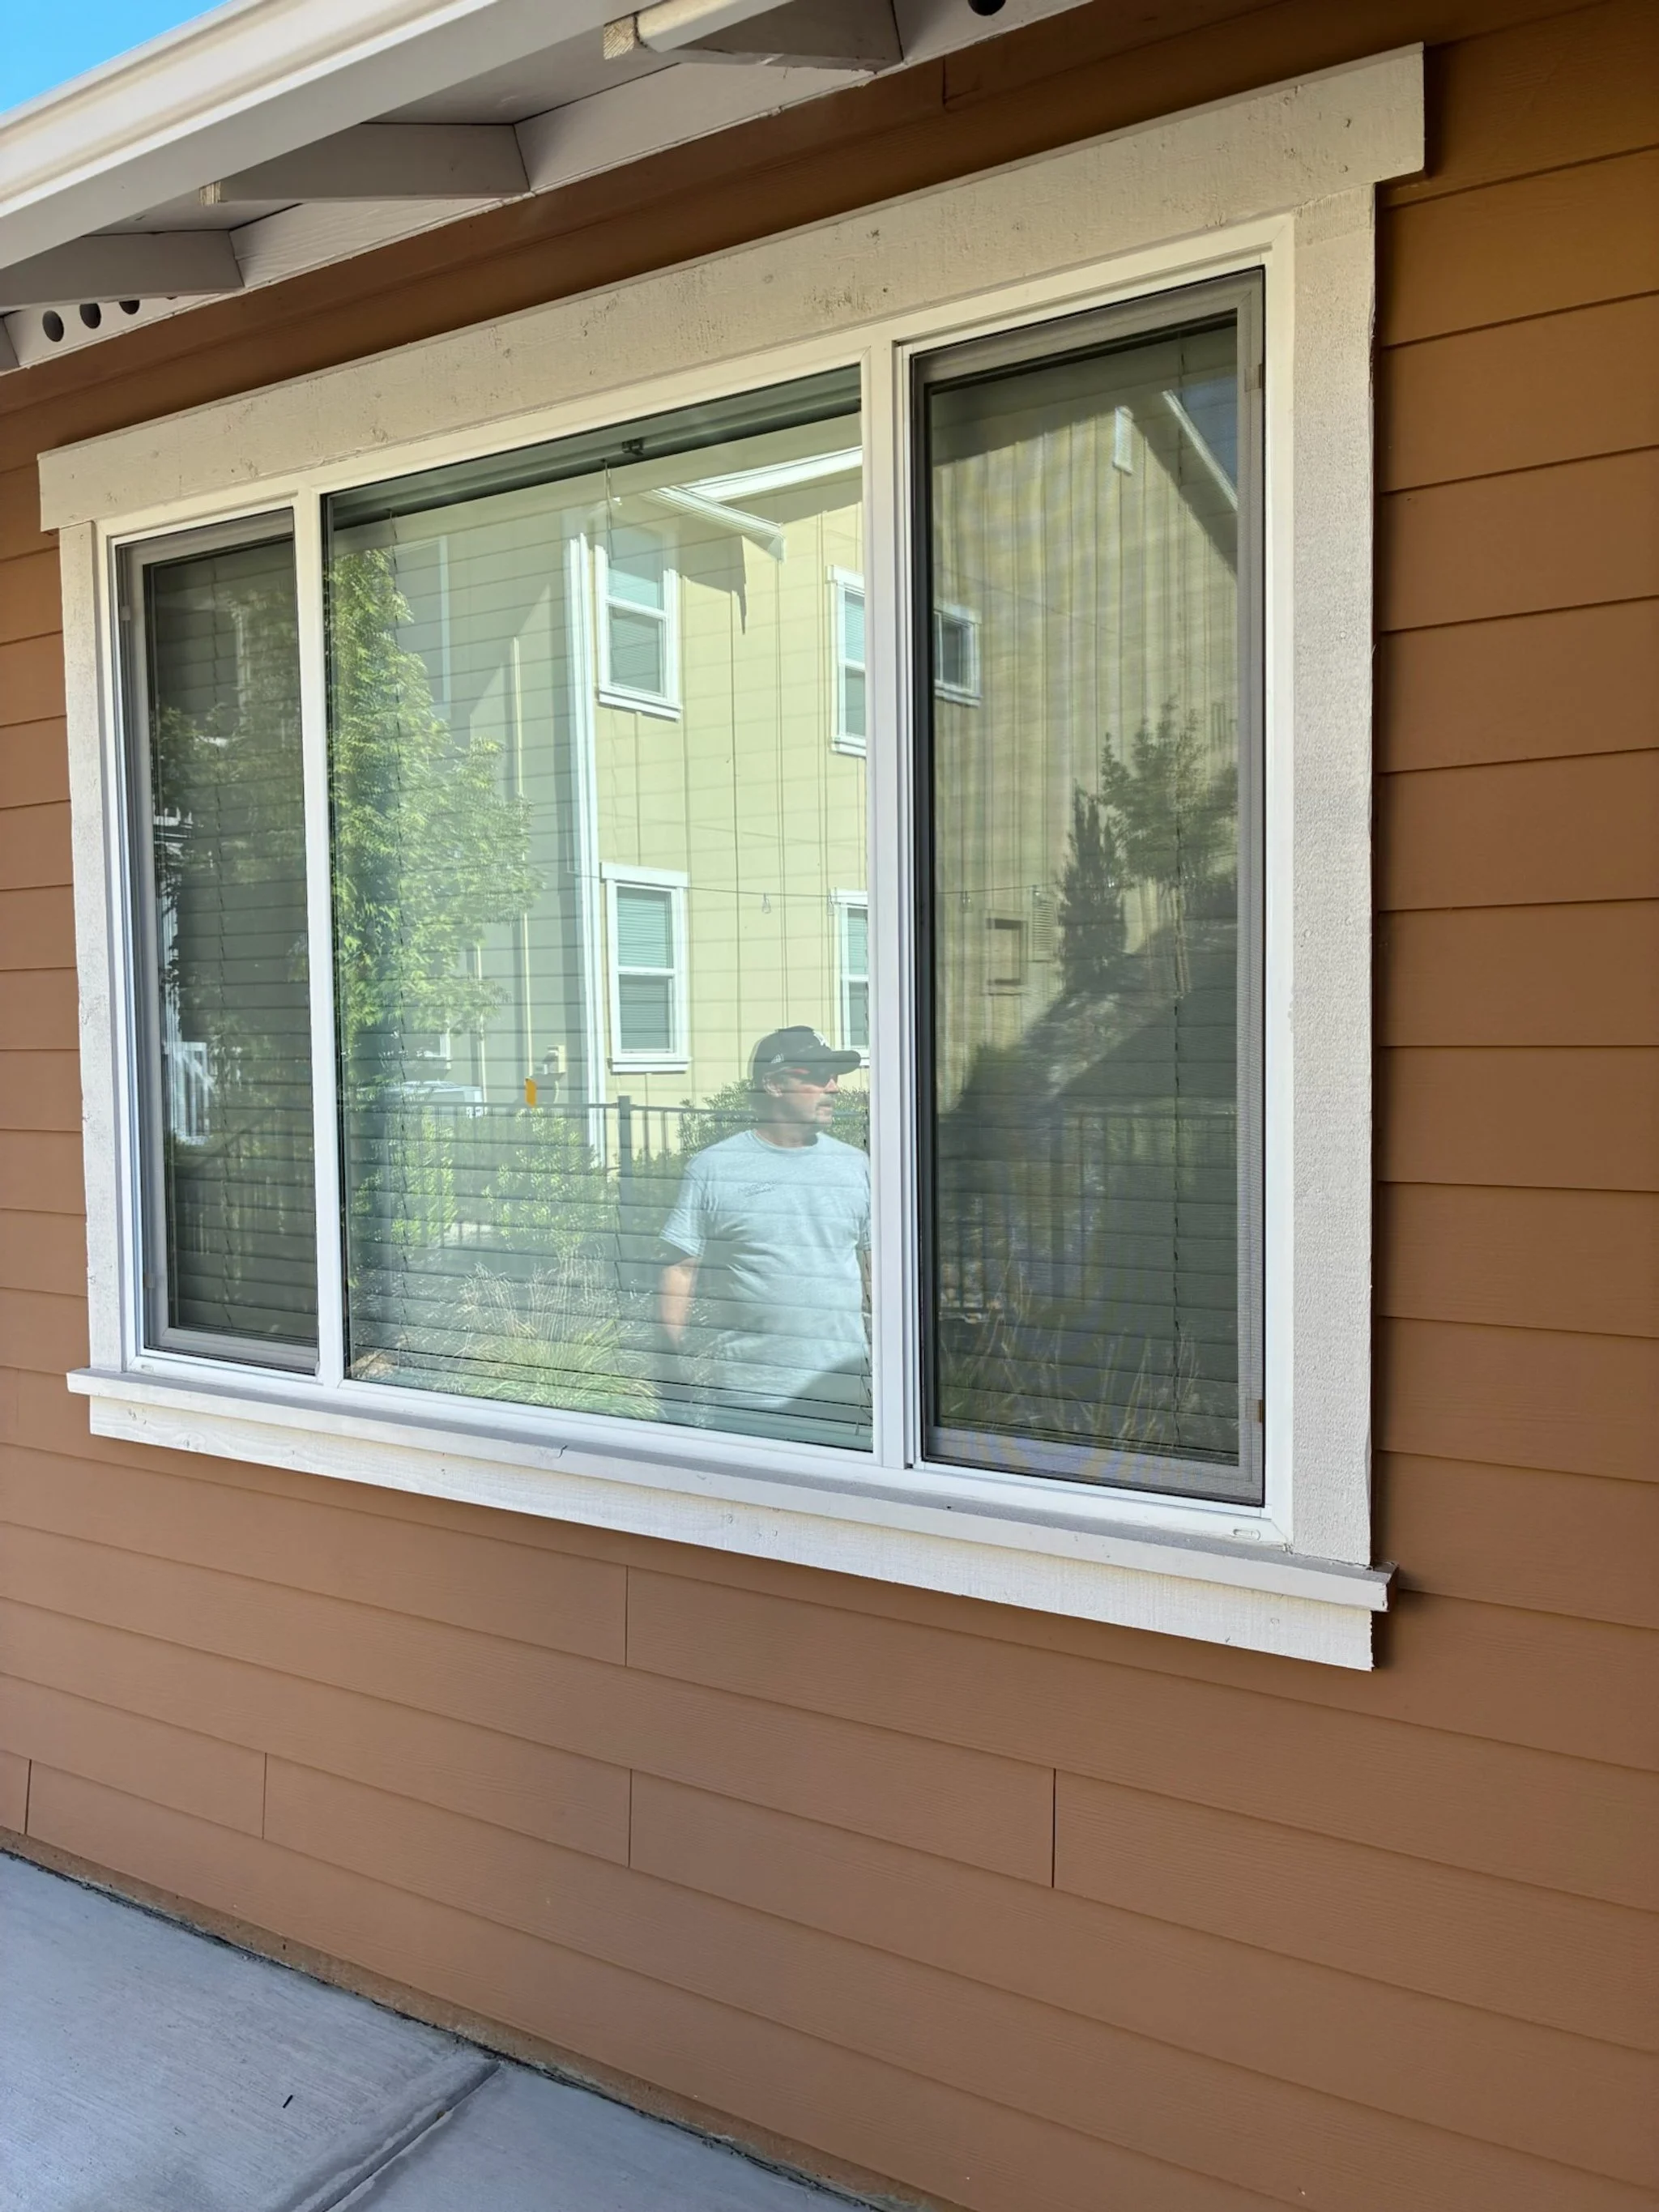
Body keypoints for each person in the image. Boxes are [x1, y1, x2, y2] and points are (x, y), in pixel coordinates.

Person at [659, 1027, 870, 1442]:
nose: (834, 1087)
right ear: (773, 1085)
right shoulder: (715, 1168)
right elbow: (681, 1270)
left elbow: (874, 1268)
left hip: (844, 1388)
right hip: (753, 1397)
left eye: (835, 1075)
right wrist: (669, 1363)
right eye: (817, 1075)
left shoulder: (855, 1166)